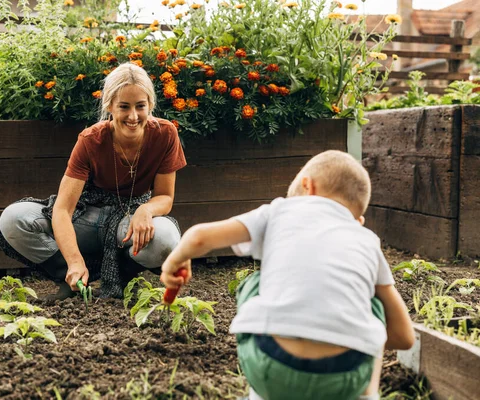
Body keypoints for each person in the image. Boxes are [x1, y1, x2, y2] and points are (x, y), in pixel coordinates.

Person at [160, 150, 415, 400]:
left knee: (256, 282)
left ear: (307, 186)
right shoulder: (367, 240)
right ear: (357, 220)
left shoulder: (279, 211)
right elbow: (404, 337)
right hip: (345, 377)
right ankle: (368, 395)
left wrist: (174, 261)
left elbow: (199, 237)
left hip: (271, 367)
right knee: (374, 305)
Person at [0, 62, 187, 301]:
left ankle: (119, 282)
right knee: (14, 220)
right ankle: (72, 280)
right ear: (110, 106)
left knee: (167, 238)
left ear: (151, 105)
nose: (133, 116)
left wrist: (145, 210)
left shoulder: (166, 134)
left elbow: (165, 197)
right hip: (87, 215)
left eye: (140, 106)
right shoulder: (90, 140)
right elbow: (63, 209)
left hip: (127, 219)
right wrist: (74, 261)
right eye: (124, 107)